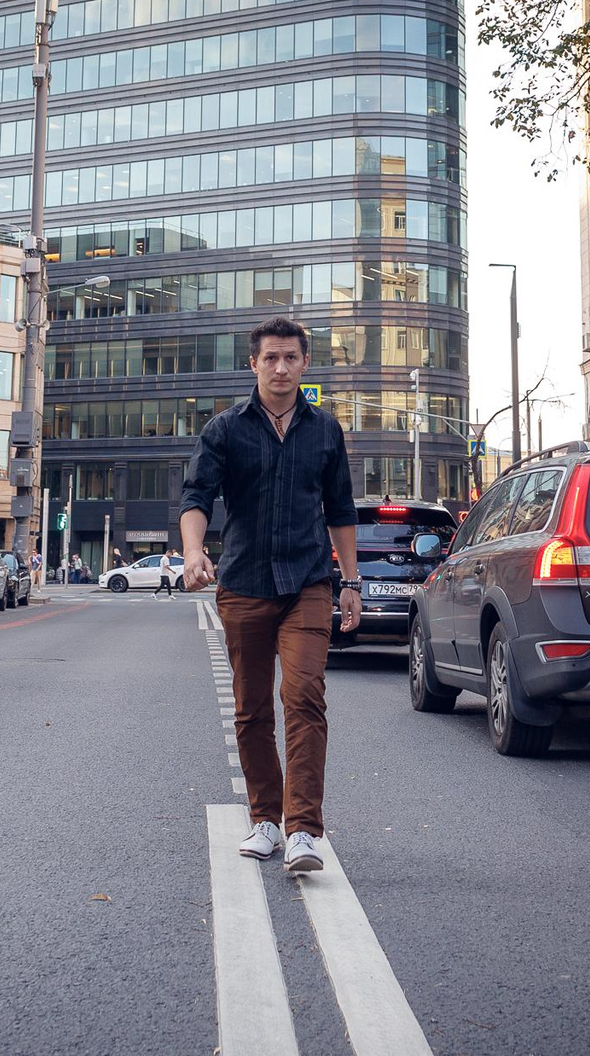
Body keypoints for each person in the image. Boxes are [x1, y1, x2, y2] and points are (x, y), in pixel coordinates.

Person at [181, 317, 359, 874]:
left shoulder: (325, 430)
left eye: (290, 358)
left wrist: (349, 582)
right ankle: (265, 818)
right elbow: (197, 495)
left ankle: (303, 830)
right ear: (253, 363)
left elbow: (342, 510)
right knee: (251, 709)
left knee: (304, 696)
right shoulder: (225, 430)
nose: (280, 368)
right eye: (270, 358)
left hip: (307, 582)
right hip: (244, 585)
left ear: (305, 364)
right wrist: (192, 552)